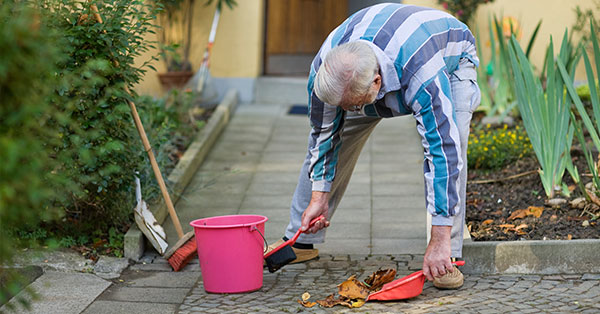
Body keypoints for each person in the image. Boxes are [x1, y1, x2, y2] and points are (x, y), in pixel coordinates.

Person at [268, 3, 480, 289]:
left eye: (352, 105)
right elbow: (323, 134)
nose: (348, 110)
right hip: (370, 71)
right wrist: (320, 194)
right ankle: (301, 240)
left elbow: (443, 152)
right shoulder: (325, 70)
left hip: (449, 59)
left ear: (377, 84)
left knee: (453, 142)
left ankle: (446, 253)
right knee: (328, 136)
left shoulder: (421, 73)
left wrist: (439, 236)